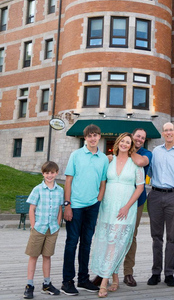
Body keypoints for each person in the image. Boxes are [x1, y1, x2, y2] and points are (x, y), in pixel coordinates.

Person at [90, 133, 145, 298]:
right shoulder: (109, 161)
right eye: (123, 141)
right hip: (108, 207)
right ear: (118, 142)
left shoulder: (136, 164)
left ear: (131, 146)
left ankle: (104, 282)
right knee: (109, 241)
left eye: (128, 142)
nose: (125, 144)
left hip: (125, 209)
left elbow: (140, 188)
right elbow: (102, 183)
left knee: (115, 242)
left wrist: (127, 207)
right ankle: (115, 278)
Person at [62, 124, 107, 296]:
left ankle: (83, 279)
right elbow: (68, 180)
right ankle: (67, 281)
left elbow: (103, 182)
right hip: (75, 206)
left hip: (92, 206)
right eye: (90, 135)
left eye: (96, 135)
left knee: (87, 243)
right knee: (72, 243)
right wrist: (67, 204)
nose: (93, 138)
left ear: (99, 137)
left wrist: (98, 199)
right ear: (85, 138)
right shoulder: (76, 155)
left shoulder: (103, 158)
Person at [147, 121, 174, 287]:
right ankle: (155, 273)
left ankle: (169, 273)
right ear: (163, 133)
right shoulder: (155, 152)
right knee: (156, 237)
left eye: (171, 130)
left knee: (171, 237)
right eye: (166, 130)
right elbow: (148, 171)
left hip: (173, 196)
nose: (169, 133)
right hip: (156, 195)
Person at [23, 161, 63, 299]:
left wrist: (58, 223)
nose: (50, 175)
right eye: (47, 173)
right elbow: (32, 208)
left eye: (52, 173)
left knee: (47, 256)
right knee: (33, 256)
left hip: (52, 229)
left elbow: (59, 208)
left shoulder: (60, 190)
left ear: (57, 173)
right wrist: (33, 225)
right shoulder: (37, 189)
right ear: (43, 174)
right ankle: (29, 285)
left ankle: (46, 284)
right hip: (39, 228)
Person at [122, 128, 152, 287]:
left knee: (130, 236)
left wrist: (128, 150)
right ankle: (106, 272)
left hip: (137, 201)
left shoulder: (147, 153)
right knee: (114, 235)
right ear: (132, 136)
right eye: (137, 136)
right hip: (118, 199)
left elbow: (140, 162)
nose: (140, 139)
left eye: (142, 137)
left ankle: (128, 273)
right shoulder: (122, 150)